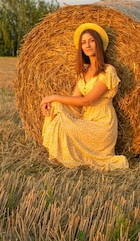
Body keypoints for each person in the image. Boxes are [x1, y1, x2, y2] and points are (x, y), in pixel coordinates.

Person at [39, 23, 129, 170]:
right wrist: (51, 104)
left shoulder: (107, 71)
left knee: (56, 103)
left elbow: (87, 100)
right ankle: (62, 154)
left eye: (91, 41)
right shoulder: (83, 72)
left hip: (102, 125)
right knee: (57, 107)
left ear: (98, 44)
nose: (87, 45)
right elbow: (74, 101)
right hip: (87, 120)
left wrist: (52, 96)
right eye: (83, 42)